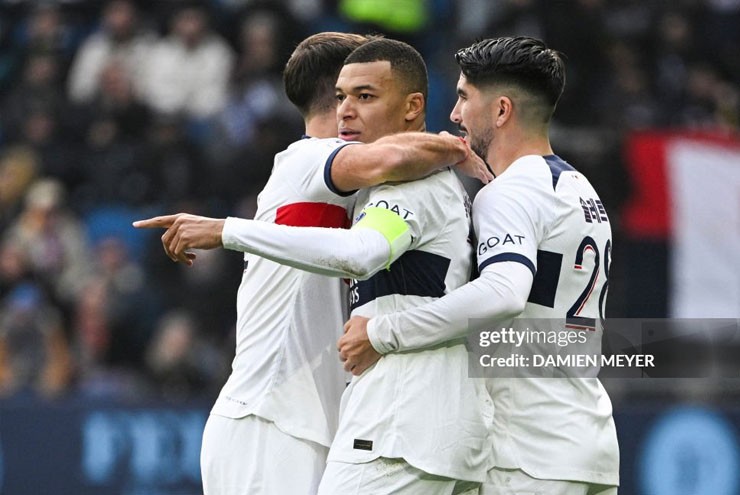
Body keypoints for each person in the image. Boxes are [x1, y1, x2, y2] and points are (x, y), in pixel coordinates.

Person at [135, 33, 490, 495]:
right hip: (271, 419)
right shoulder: (310, 158)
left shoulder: (369, 188)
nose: (351, 107)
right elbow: (396, 161)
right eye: (350, 92)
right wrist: (454, 148)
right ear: (335, 90)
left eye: (364, 94)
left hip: (318, 421)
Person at [340, 36, 620, 495]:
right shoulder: (581, 191)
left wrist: (383, 333)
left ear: (502, 111)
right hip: (587, 441)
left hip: (526, 453)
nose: (454, 115)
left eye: (464, 97)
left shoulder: (507, 193)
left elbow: (504, 293)